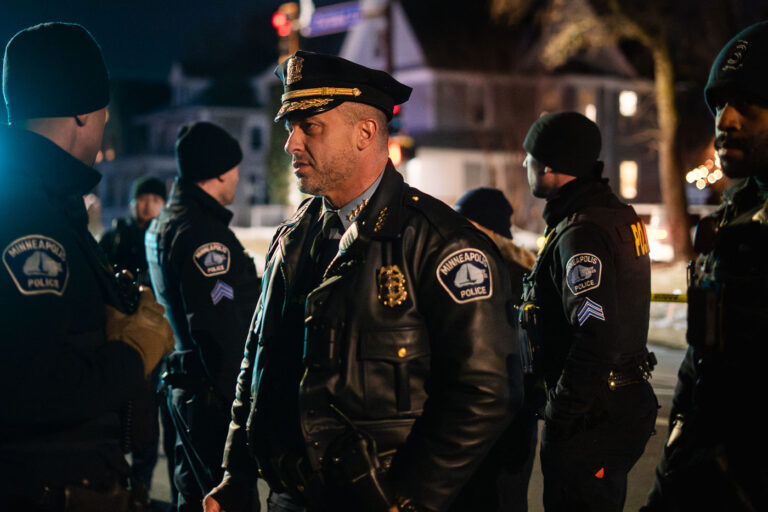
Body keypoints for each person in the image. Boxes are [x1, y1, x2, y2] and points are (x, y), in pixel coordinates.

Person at [204, 50, 522, 512]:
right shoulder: (294, 237)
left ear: (366, 132)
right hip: (289, 496)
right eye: (289, 127)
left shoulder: (438, 243)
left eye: (309, 126)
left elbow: (485, 391)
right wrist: (236, 472)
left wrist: (408, 499)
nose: (291, 143)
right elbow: (258, 360)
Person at [0, 22, 173, 510]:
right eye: (103, 111)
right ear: (81, 111)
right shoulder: (30, 215)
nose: (102, 126)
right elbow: (33, 386)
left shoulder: (39, 199)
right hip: (47, 491)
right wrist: (133, 351)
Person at [642, 21, 768, 512]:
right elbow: (701, 370)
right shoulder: (733, 222)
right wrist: (671, 481)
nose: (726, 120)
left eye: (749, 106)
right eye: (719, 105)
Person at [519, 112, 657, 511]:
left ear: (549, 166)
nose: (523, 165)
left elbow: (596, 333)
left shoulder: (581, 232)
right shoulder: (616, 215)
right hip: (619, 402)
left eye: (528, 158)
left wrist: (562, 413)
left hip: (592, 416)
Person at [146, 121, 261, 511]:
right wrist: (240, 413)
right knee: (226, 501)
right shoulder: (204, 236)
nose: (238, 179)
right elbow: (220, 331)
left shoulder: (168, 221)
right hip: (212, 401)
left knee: (192, 499)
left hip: (184, 387)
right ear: (219, 172)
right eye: (235, 170)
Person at [453, 187, 542, 512]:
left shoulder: (507, 275)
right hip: (495, 420)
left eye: (464, 223)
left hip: (505, 423)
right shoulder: (488, 268)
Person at [100, 176, 169, 509]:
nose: (148, 204)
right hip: (116, 337)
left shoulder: (164, 239)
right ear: (133, 202)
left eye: (156, 198)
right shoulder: (114, 238)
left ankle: (139, 488)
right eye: (143, 198)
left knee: (145, 419)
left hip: (152, 340)